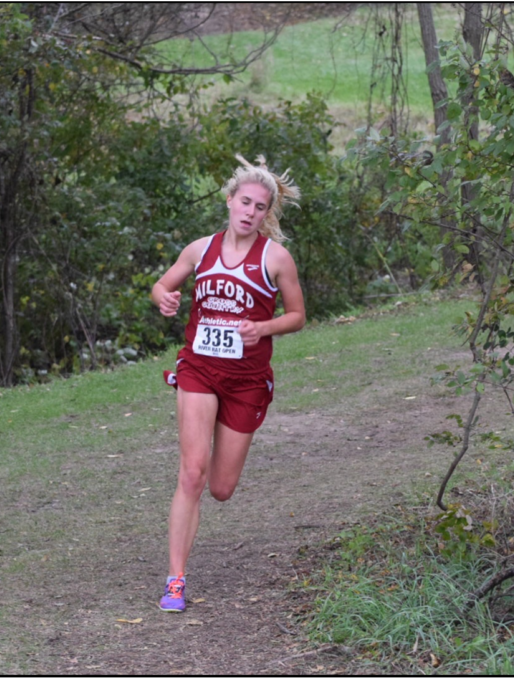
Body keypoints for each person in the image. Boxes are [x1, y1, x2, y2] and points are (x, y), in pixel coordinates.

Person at [151, 154, 305, 612]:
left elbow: (297, 316)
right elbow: (161, 285)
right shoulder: (200, 250)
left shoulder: (275, 258)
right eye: (244, 201)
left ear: (266, 213)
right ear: (229, 200)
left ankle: (221, 441)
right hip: (199, 369)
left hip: (246, 380)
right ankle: (175, 580)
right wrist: (166, 298)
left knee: (220, 487)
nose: (249, 211)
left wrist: (264, 328)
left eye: (260, 207)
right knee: (192, 472)